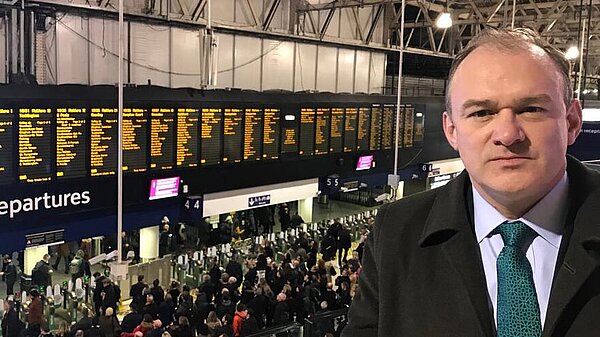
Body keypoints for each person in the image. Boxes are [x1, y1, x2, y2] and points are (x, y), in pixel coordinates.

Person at [342, 27, 596, 336]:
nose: (506, 135)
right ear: (452, 131)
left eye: (531, 109)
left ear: (571, 122)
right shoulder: (397, 232)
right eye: (481, 113)